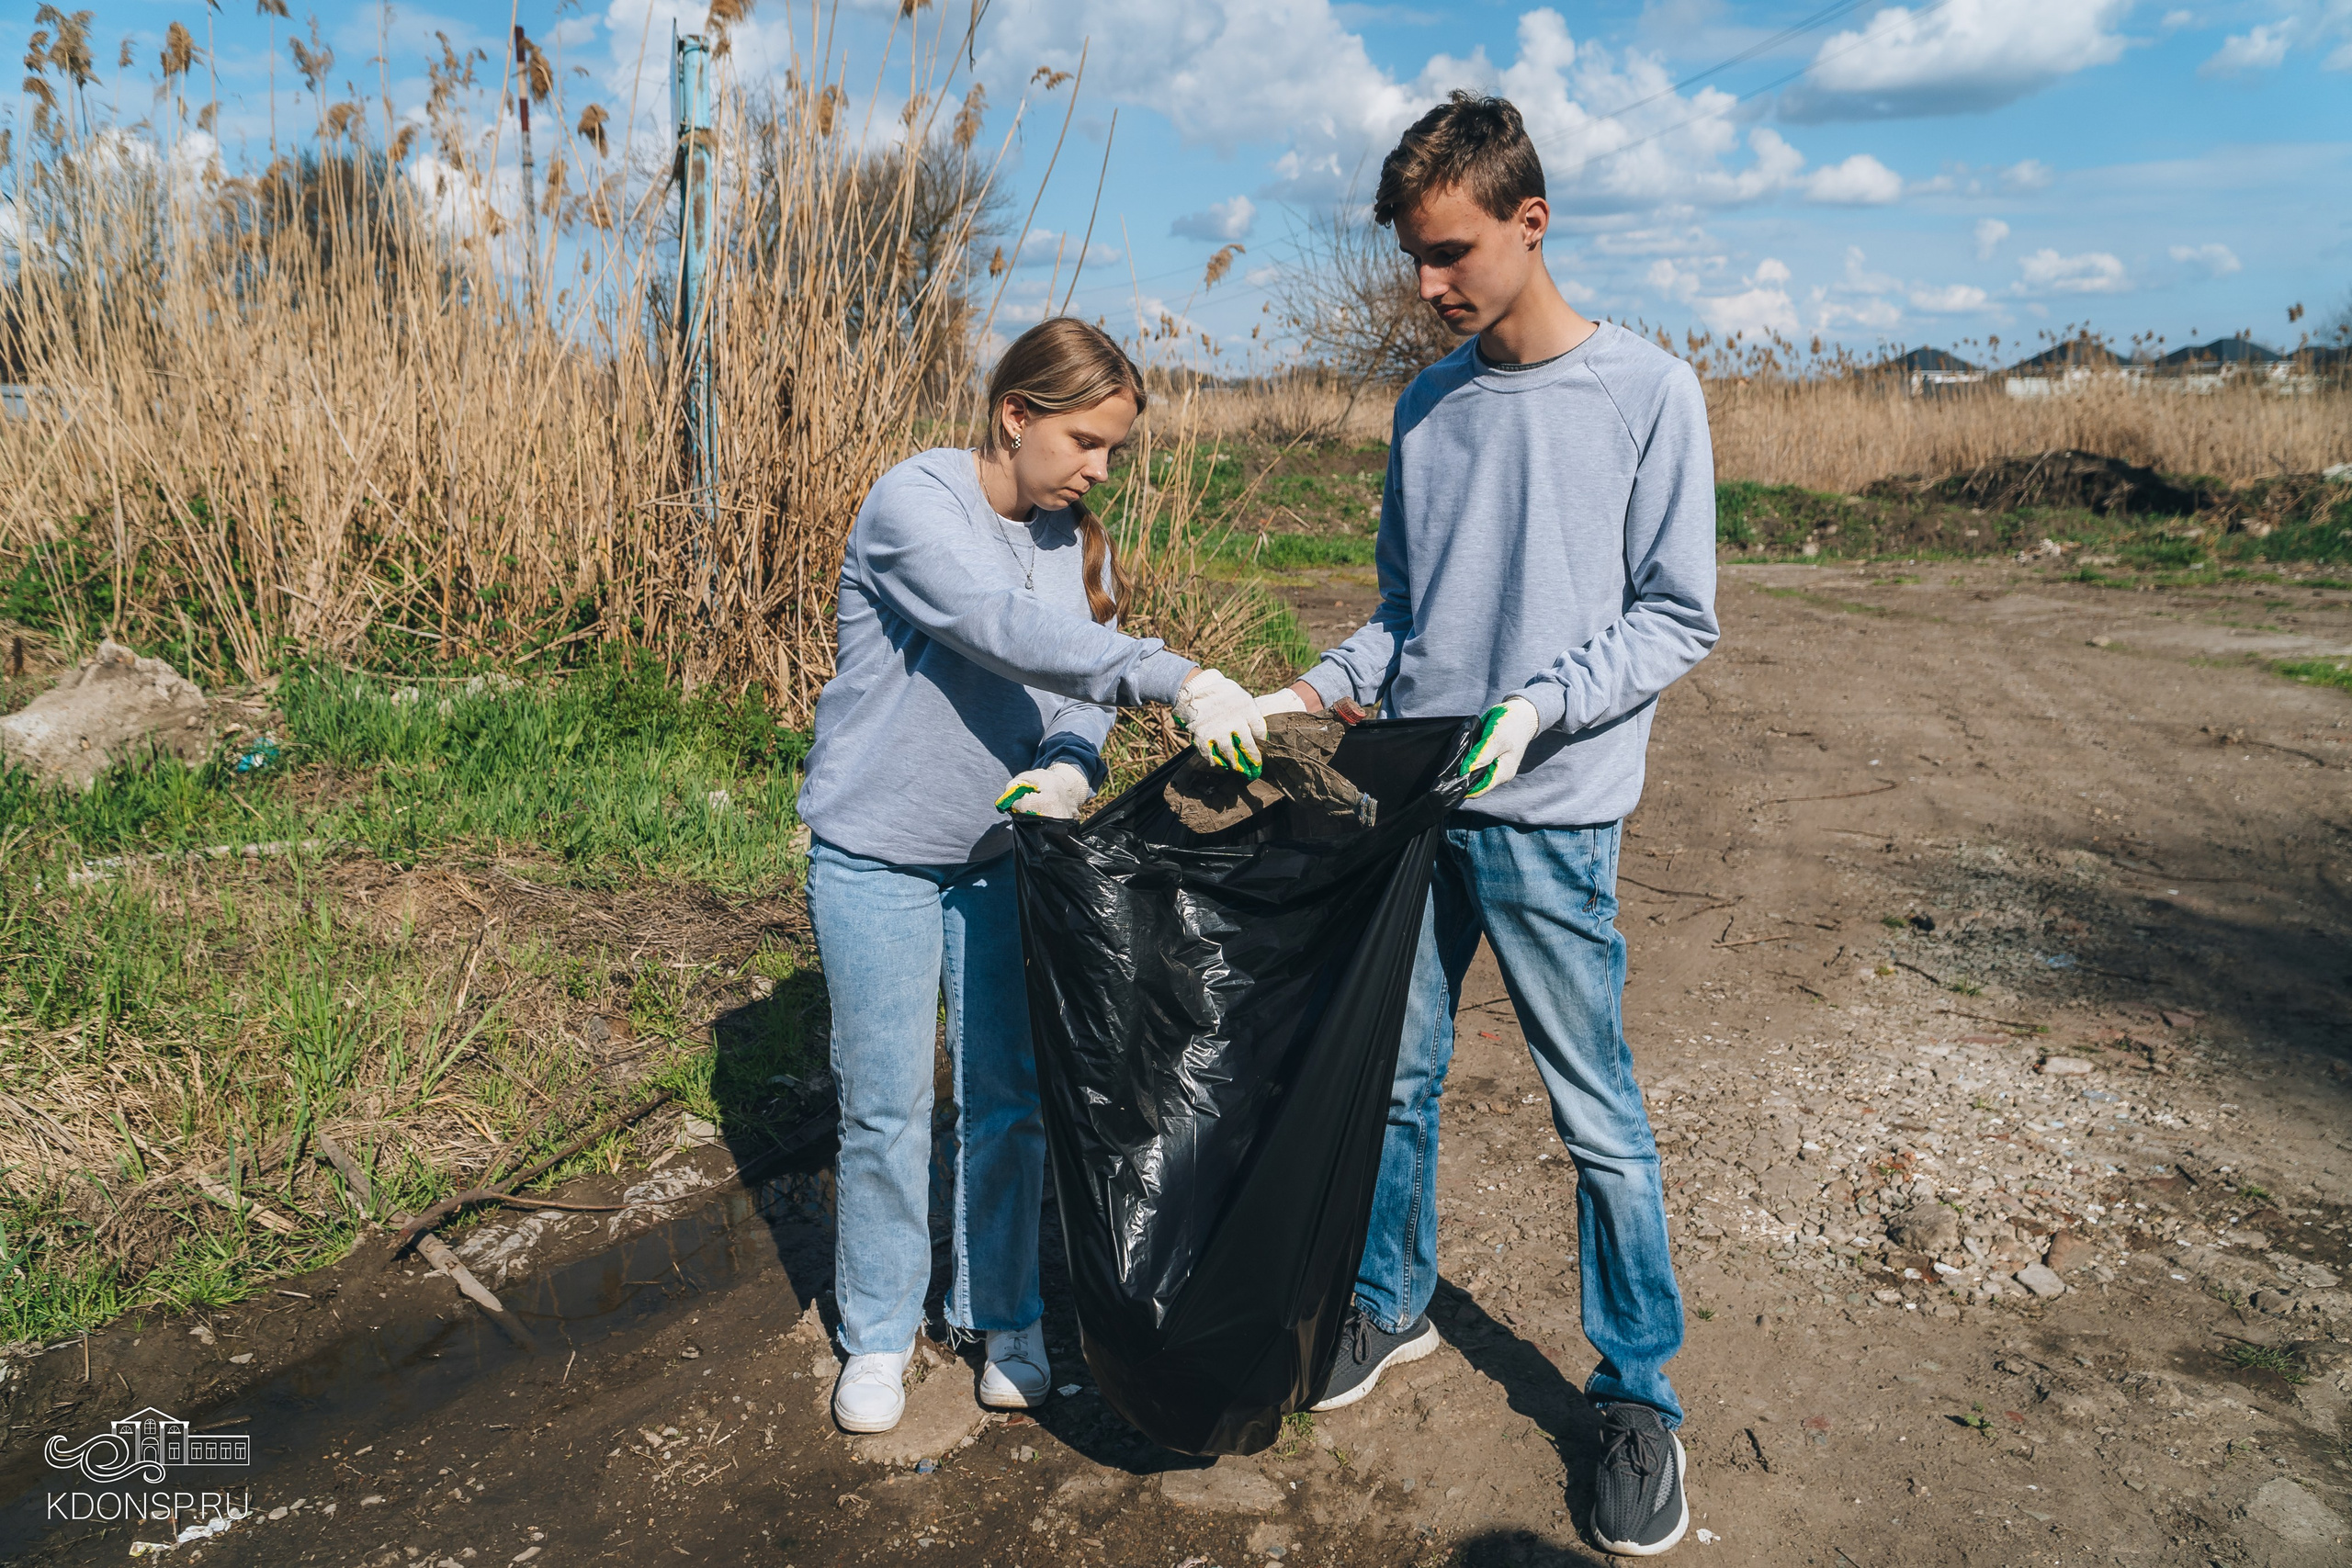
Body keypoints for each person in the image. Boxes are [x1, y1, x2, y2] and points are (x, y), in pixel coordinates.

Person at [1255, 94, 1719, 1556]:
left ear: (1530, 221)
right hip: (1418, 806)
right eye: (1411, 254)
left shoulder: (1650, 393)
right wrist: (1309, 686)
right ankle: (1391, 1301)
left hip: (1552, 809)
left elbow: (1677, 613)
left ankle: (1638, 1391)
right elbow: (1407, 618)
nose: (1425, 283)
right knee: (1397, 1073)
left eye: (1447, 250)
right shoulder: (1428, 406)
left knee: (1597, 1110)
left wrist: (1543, 707)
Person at [795, 317, 1265, 1436]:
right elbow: (998, 629)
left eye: (1113, 449)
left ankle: (1003, 1318)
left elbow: (1064, 694)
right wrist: (1170, 674)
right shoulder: (914, 504)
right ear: (1017, 415)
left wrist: (1065, 765)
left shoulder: (1062, 537)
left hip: (1004, 861)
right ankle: (875, 1331)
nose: (1099, 471)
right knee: (886, 1109)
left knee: (1009, 1104)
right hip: (876, 857)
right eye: (1087, 443)